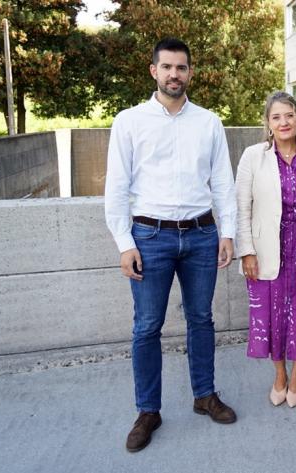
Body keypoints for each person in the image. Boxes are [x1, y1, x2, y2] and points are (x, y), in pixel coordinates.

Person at [105, 38, 238, 453]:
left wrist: (228, 232)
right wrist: (125, 243)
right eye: (167, 67)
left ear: (190, 73)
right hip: (150, 237)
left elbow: (222, 182)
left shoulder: (209, 122)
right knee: (147, 326)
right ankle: (148, 411)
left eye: (181, 68)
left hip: (201, 235)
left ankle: (204, 395)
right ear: (154, 71)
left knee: (201, 318)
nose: (174, 75)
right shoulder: (129, 121)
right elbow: (117, 187)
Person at [235, 91, 296, 408]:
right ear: (267, 122)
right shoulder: (253, 156)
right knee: (272, 314)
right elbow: (242, 209)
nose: (283, 122)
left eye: (289, 115)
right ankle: (279, 374)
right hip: (266, 250)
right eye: (276, 117)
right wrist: (246, 250)